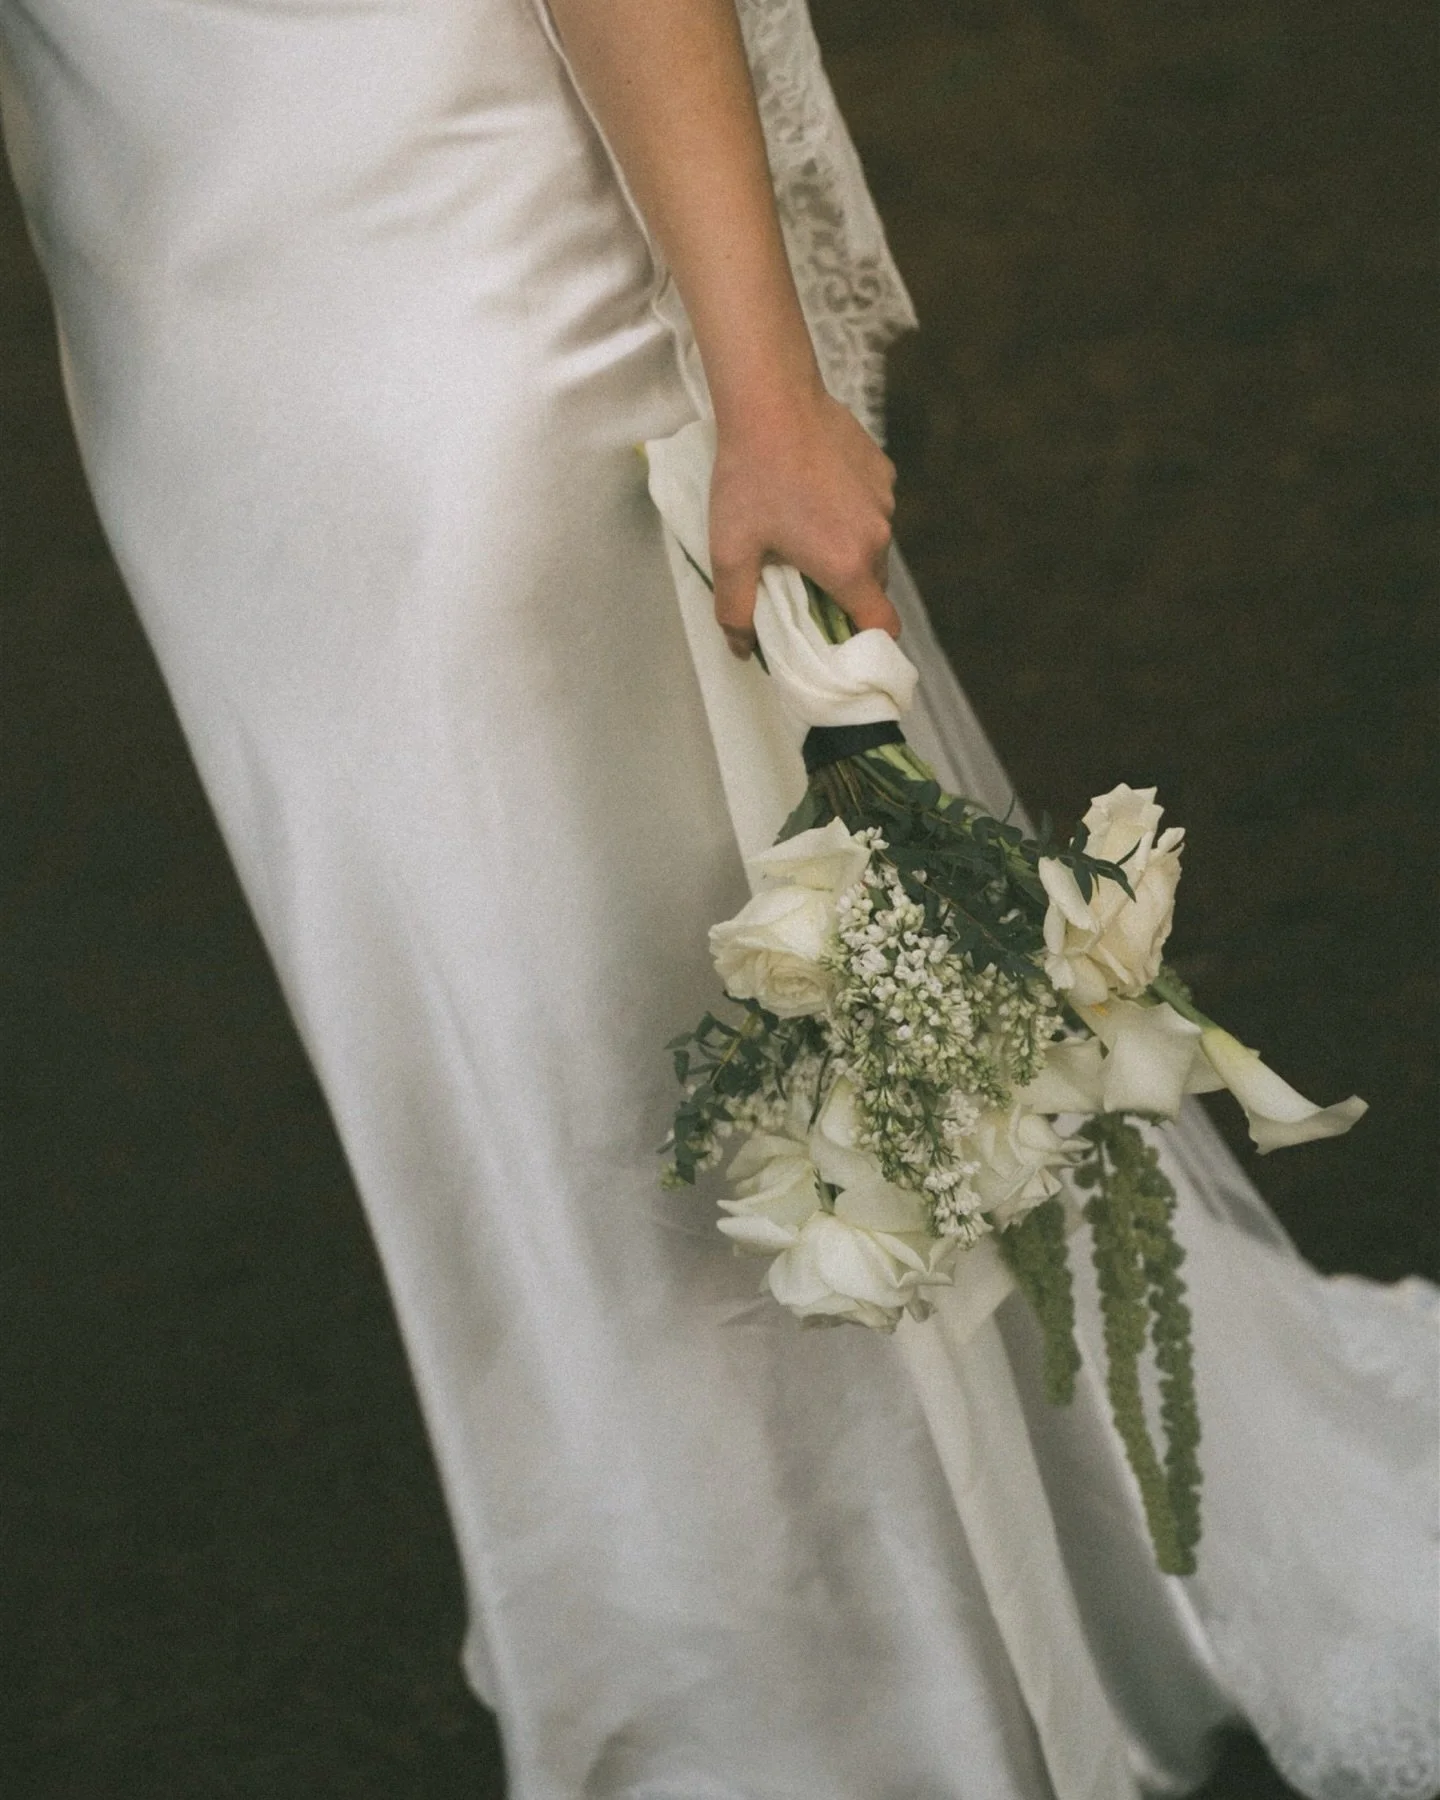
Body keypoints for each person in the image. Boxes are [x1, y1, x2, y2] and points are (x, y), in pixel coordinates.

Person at [1, 1, 1434, 1795]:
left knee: (637, 987)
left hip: (449, 286)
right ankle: (765, 1639)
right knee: (487, 1041)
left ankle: (828, 1685)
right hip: (191, 317)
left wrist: (762, 385)